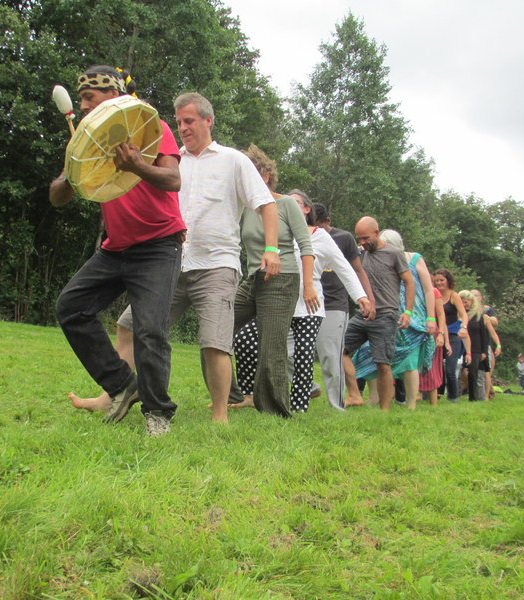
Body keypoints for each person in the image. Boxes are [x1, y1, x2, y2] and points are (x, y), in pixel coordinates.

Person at [112, 93, 281, 423]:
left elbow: (267, 204)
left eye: (188, 121)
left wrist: (271, 249)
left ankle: (220, 415)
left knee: (214, 342)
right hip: (172, 264)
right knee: (128, 326)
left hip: (217, 266)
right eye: (178, 122)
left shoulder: (233, 160)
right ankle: (114, 394)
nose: (182, 128)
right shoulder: (172, 162)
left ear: (208, 120)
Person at [51, 66, 186, 436]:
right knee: (71, 308)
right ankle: (123, 385)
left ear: (111, 96)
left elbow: (173, 180)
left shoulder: (148, 127)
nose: (81, 106)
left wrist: (137, 164)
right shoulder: (85, 141)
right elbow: (57, 197)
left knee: (149, 331)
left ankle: (158, 414)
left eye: (88, 98)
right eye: (79, 100)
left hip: (158, 246)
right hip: (116, 249)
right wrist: (69, 175)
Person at [232, 188, 372, 413]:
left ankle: (300, 407)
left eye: (295, 202)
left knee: (304, 355)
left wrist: (361, 296)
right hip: (279, 306)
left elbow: (344, 268)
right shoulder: (276, 231)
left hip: (309, 307)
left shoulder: (320, 236)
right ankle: (249, 395)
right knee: (250, 341)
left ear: (307, 209)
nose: (287, 204)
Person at [352, 229, 435, 410]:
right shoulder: (373, 256)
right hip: (381, 314)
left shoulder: (414, 258)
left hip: (412, 317)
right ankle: (374, 398)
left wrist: (430, 318)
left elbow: (428, 290)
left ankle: (411, 404)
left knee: (410, 362)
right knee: (371, 354)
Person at [342, 217, 415, 410]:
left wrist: (408, 311)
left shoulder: (394, 253)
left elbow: (409, 282)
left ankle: (384, 410)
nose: (363, 242)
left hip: (386, 315)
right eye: (360, 238)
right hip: (362, 315)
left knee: (382, 363)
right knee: (339, 349)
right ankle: (355, 395)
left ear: (377, 232)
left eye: (366, 238)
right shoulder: (360, 254)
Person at [310, 202, 375, 409]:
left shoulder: (343, 238)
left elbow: (356, 270)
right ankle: (309, 387)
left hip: (335, 304)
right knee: (288, 351)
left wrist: (366, 297)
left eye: (319, 225)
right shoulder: (302, 235)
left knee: (331, 355)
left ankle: (338, 404)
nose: (316, 230)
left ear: (328, 221)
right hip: (308, 302)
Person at [434, 268, 469, 402]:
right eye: (436, 281)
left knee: (450, 369)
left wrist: (464, 327)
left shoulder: (453, 295)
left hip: (452, 334)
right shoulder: (434, 294)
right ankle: (434, 394)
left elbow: (463, 314)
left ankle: (453, 398)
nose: (439, 283)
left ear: (448, 281)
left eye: (441, 280)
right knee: (434, 368)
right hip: (437, 334)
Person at [458, 290, 489, 401]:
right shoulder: (457, 315)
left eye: (466, 302)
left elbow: (483, 334)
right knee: (458, 371)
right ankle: (456, 394)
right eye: (461, 302)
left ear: (471, 302)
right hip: (459, 346)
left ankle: (473, 397)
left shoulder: (478, 316)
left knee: (473, 372)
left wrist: (484, 351)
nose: (464, 305)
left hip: (475, 348)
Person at [472, 289, 501, 398]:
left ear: (481, 297)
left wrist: (498, 345)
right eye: (471, 295)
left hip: (484, 344)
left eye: (476, 295)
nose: (474, 297)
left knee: (486, 372)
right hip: (471, 345)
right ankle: (482, 392)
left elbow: (495, 322)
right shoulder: (467, 310)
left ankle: (486, 396)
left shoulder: (487, 309)